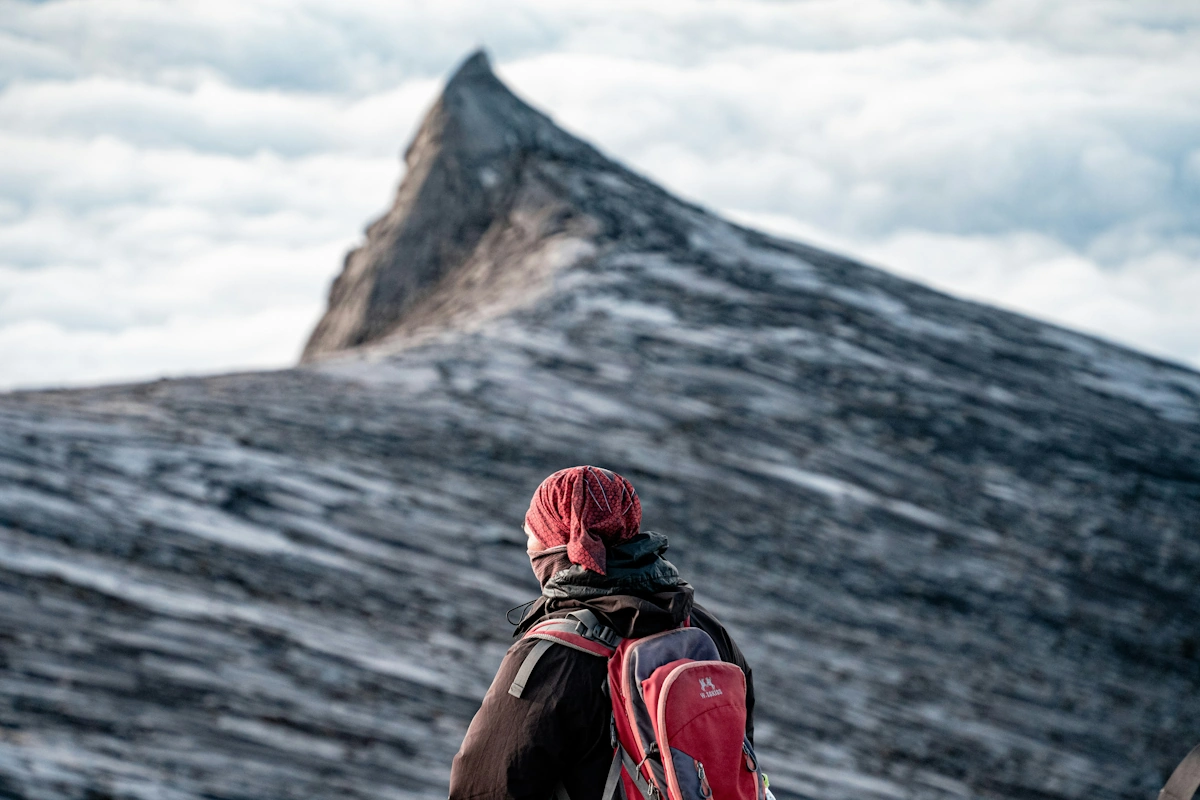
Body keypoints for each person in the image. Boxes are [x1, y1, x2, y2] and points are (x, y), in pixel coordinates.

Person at [449, 465, 755, 800]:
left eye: (533, 532)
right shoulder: (702, 627)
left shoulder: (552, 655)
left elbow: (486, 786)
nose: (528, 546)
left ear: (557, 542)